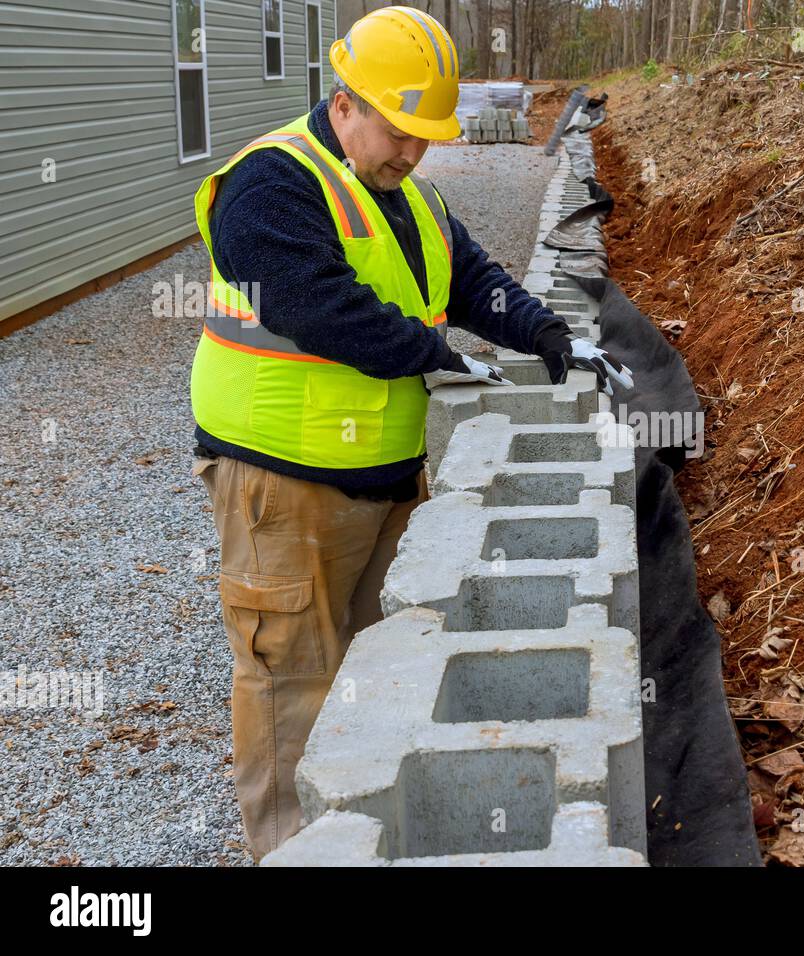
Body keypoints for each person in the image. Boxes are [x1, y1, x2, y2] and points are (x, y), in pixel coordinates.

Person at [187, 5, 632, 862]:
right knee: (294, 691)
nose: (414, 152)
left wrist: (547, 334)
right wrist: (437, 354)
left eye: (426, 137)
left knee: (372, 680)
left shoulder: (404, 193)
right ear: (344, 101)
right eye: (401, 131)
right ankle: (295, 849)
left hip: (383, 483)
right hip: (284, 488)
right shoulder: (271, 182)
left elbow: (470, 278)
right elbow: (314, 303)